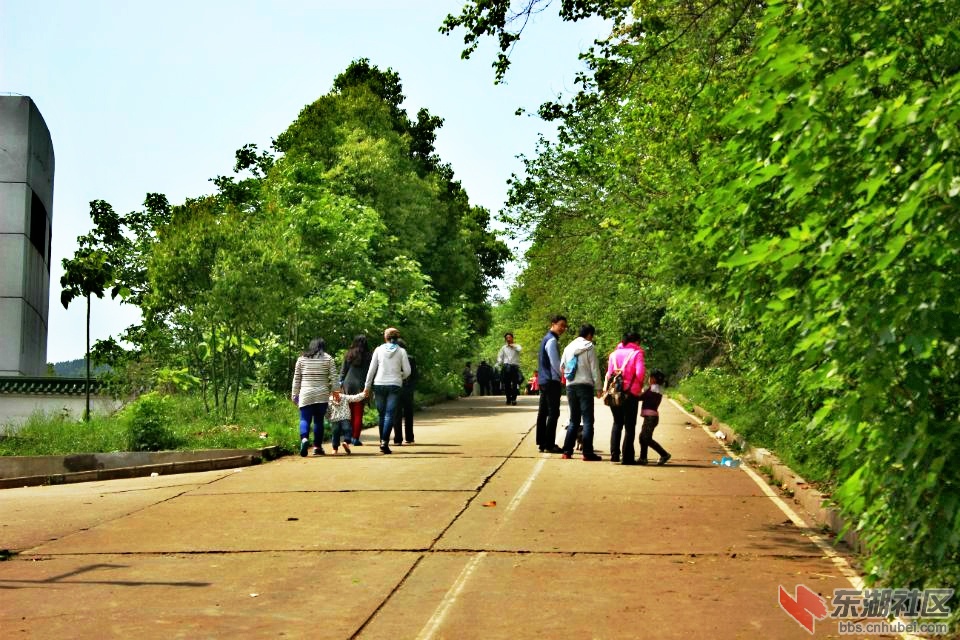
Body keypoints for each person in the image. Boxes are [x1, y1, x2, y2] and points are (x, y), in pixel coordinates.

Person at [364, 327, 412, 454]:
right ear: (397, 338)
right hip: (394, 385)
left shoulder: (378, 350)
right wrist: (399, 376)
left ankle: (382, 441)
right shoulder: (401, 351)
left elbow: (371, 370)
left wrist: (367, 387)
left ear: (385, 337)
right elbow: (407, 371)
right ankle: (384, 442)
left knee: (381, 414)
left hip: (379, 384)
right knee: (389, 414)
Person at [291, 337, 341, 457]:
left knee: (304, 419)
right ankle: (317, 447)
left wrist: (294, 394)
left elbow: (296, 378)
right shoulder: (328, 358)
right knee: (319, 421)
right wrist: (336, 392)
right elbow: (334, 377)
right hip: (322, 394)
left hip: (305, 394)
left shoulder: (301, 359)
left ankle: (304, 439)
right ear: (323, 346)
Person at [560, 324, 603, 461]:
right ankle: (587, 453)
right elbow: (594, 369)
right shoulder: (589, 347)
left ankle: (567, 451)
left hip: (571, 386)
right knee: (588, 420)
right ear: (590, 334)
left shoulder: (568, 347)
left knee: (574, 420)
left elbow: (562, 367)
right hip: (585, 386)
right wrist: (599, 387)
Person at [606, 333, 646, 465]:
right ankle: (627, 457)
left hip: (615, 394)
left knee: (617, 423)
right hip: (630, 394)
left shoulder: (613, 355)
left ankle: (614, 454)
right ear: (636, 341)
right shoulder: (637, 354)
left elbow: (609, 374)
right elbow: (640, 373)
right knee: (630, 426)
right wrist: (638, 386)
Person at [535, 315, 568, 453]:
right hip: (550, 380)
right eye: (561, 325)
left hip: (543, 380)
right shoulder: (552, 340)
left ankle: (542, 442)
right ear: (553, 324)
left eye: (564, 326)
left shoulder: (546, 339)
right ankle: (549, 444)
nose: (563, 328)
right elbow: (555, 363)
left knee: (543, 412)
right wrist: (564, 375)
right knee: (553, 412)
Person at [341, 335, 371, 446]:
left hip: (347, 384)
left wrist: (340, 383)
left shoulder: (349, 353)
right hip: (361, 385)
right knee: (358, 413)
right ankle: (355, 438)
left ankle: (347, 437)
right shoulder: (369, 356)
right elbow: (370, 372)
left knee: (348, 413)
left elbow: (343, 371)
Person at [638, 369, 670, 465]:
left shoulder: (653, 388)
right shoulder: (657, 388)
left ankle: (664, 454)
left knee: (645, 438)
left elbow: (642, 397)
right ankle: (643, 458)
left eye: (649, 377)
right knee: (643, 437)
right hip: (651, 417)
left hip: (650, 418)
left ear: (652, 379)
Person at [327, 389, 366, 454]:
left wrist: (328, 417)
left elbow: (327, 411)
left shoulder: (330, 400)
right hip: (344, 418)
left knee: (335, 433)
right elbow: (355, 398)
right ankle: (346, 442)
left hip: (335, 419)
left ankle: (335, 448)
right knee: (347, 430)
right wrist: (363, 394)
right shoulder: (344, 397)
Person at [395, 338, 417, 445]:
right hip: (408, 389)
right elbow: (414, 375)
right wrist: (412, 387)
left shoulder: (393, 358)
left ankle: (398, 438)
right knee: (409, 414)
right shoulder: (411, 358)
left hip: (396, 388)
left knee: (397, 414)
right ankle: (409, 437)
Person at [496, 332, 522, 405]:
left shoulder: (517, 346)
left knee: (515, 384)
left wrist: (512, 346)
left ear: (512, 338)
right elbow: (500, 356)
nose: (508, 339)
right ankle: (508, 399)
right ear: (505, 339)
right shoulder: (503, 348)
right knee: (507, 384)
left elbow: (520, 349)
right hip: (506, 367)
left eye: (509, 337)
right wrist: (499, 362)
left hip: (514, 367)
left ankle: (514, 399)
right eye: (507, 338)